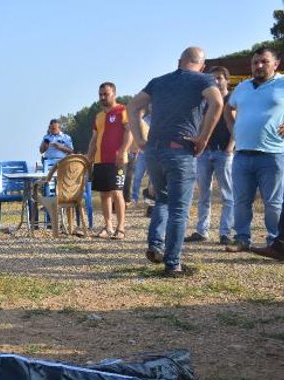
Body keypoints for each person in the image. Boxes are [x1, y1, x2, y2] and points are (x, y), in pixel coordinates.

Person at [127, 47, 223, 277]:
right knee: (179, 209)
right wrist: (203, 138)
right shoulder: (204, 79)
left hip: (153, 151)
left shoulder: (158, 82)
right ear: (202, 64)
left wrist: (140, 139)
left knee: (162, 200)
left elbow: (131, 107)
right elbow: (218, 103)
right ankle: (173, 264)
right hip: (180, 151)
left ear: (179, 61)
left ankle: (156, 245)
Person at [223, 47, 284, 253]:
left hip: (274, 154)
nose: (258, 66)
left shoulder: (282, 83)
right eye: (255, 62)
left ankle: (275, 242)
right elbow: (228, 107)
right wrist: (234, 130)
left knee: (273, 202)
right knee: (241, 200)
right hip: (242, 154)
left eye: (264, 62)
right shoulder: (242, 87)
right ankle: (242, 238)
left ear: (276, 64)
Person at [184, 66, 235, 245]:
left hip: (224, 152)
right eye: (213, 78)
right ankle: (201, 230)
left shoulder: (232, 100)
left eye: (220, 78)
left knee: (227, 194)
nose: (216, 81)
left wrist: (230, 147)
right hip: (205, 152)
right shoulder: (206, 102)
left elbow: (237, 125)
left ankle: (225, 232)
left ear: (227, 80)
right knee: (204, 194)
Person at [86, 82, 132, 239]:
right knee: (104, 194)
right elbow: (94, 139)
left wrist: (123, 151)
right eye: (100, 94)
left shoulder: (122, 110)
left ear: (114, 94)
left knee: (117, 192)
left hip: (117, 160)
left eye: (106, 94)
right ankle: (108, 227)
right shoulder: (98, 116)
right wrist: (89, 157)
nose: (102, 97)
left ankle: (121, 228)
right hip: (100, 160)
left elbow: (129, 132)